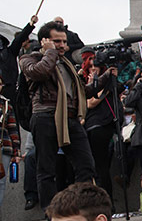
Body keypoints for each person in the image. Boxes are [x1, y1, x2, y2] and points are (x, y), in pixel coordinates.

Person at [19, 21, 115, 211]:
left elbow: (82, 92)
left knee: (86, 165)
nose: (62, 45)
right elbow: (39, 73)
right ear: (44, 41)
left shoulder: (67, 64)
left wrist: (107, 76)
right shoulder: (30, 59)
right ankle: (52, 214)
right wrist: (49, 53)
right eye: (57, 41)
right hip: (45, 116)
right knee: (47, 169)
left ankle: (82, 208)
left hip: (71, 119)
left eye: (64, 41)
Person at [83, 56, 122, 207]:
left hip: (104, 126)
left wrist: (108, 81)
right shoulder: (88, 84)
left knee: (102, 167)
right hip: (91, 127)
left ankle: (108, 203)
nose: (93, 69)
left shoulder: (108, 83)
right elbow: (90, 103)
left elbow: (119, 89)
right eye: (90, 67)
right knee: (97, 168)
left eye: (96, 67)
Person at [0, 75, 21, 209]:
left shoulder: (6, 104)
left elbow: (13, 129)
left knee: (1, 181)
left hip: (4, 145)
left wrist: (16, 151)